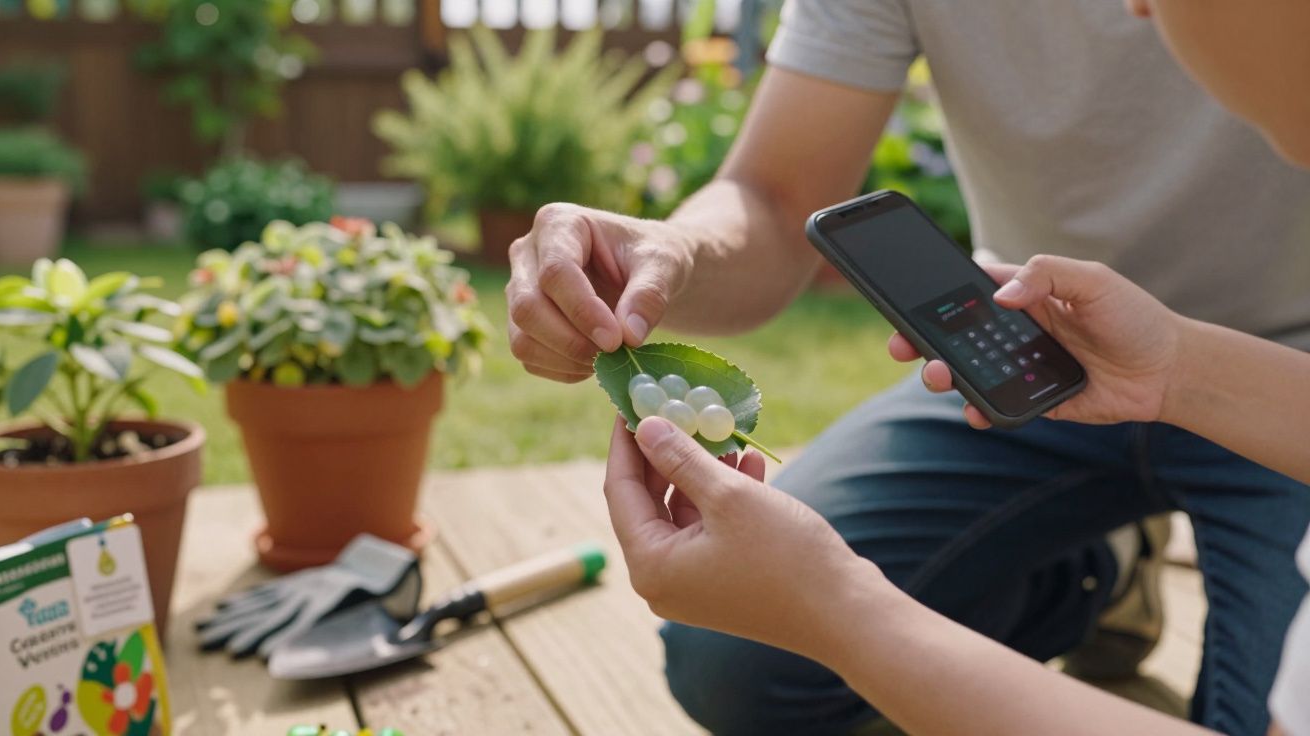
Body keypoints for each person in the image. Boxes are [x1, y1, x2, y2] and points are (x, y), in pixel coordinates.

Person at [506, 0, 1310, 733]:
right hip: (1023, 353)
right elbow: (779, 195)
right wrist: (670, 247)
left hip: (1288, 387)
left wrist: (839, 608)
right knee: (739, 663)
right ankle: (1096, 571)